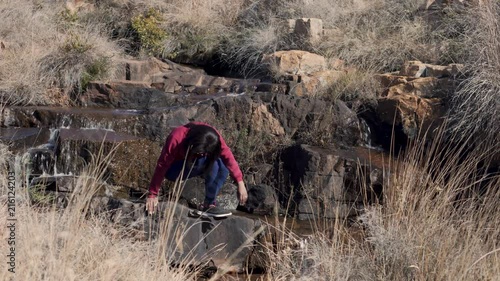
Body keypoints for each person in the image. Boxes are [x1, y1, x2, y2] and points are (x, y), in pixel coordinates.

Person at [145, 122, 248, 217]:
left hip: (196, 163)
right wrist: (152, 194)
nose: (203, 154)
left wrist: (240, 182)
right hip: (174, 170)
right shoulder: (177, 137)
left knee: (222, 166)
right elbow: (162, 165)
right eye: (200, 152)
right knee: (211, 163)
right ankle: (208, 205)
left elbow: (228, 157)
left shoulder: (213, 136)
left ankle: (209, 205)